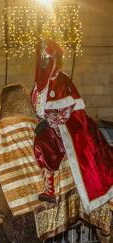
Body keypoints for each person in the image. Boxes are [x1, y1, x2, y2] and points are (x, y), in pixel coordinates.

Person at [32, 39, 113, 213]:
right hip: (46, 122)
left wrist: (53, 119)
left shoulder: (63, 81)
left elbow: (68, 111)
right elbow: (37, 107)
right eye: (42, 61)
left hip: (66, 127)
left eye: (47, 60)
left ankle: (50, 189)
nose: (45, 65)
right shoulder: (40, 84)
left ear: (55, 61)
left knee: (42, 142)